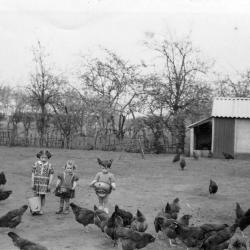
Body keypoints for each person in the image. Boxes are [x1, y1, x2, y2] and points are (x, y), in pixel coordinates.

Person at [31, 150, 54, 215]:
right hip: (36, 183)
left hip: (44, 184)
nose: (43, 159)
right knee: (35, 196)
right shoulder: (36, 164)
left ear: (48, 157)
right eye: (42, 157)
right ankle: (35, 209)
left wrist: (49, 184)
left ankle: (41, 209)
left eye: (45, 158)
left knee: (43, 196)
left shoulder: (49, 165)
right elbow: (33, 173)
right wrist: (32, 182)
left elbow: (51, 174)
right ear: (39, 157)